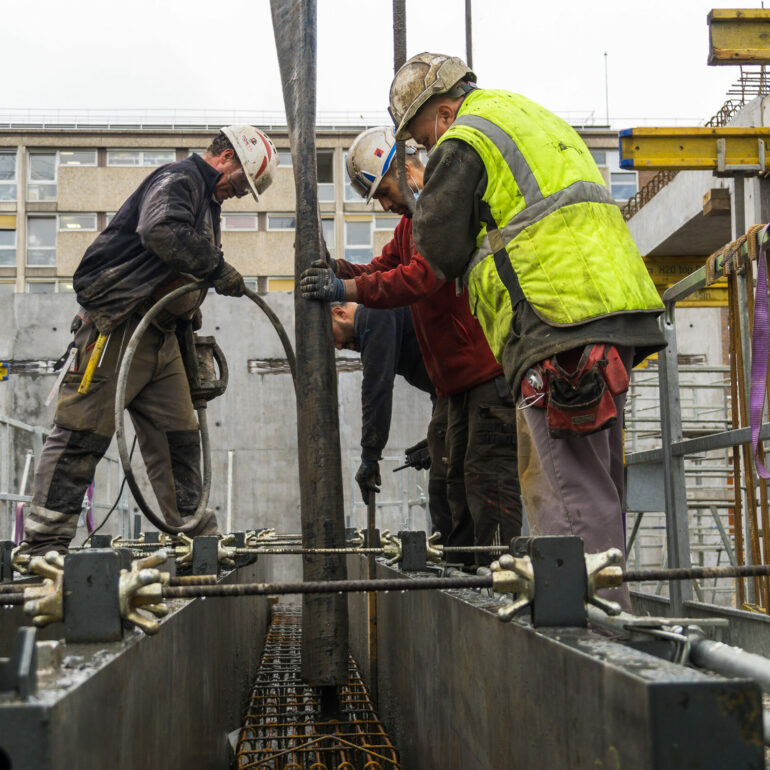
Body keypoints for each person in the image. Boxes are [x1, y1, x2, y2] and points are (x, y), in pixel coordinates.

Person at [388, 52, 667, 605]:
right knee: (598, 481)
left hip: (555, 322)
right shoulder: (529, 115)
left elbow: (437, 246)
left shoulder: (466, 136)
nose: (424, 152)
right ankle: (608, 617)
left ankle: (592, 636)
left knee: (566, 496)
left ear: (443, 115)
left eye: (421, 140)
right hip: (612, 309)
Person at [19, 125, 278, 556]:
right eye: (240, 183)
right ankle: (43, 544)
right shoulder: (180, 179)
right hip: (119, 326)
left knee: (180, 438)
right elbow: (159, 230)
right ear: (228, 158)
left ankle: (197, 539)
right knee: (82, 431)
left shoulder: (205, 200)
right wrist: (216, 267)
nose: (237, 193)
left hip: (161, 338)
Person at [300, 126, 522, 566]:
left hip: (486, 375)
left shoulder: (439, 212)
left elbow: (418, 277)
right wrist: (335, 266)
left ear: (404, 168)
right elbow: (379, 268)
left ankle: (498, 583)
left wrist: (342, 286)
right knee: (449, 486)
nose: (385, 205)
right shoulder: (408, 228)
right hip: (454, 386)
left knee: (487, 485)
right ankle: (462, 579)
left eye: (384, 191)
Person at [330, 301, 451, 543]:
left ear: (340, 313)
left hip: (473, 392)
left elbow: (377, 387)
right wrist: (438, 439)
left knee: (446, 487)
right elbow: (441, 385)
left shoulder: (374, 314)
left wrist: (370, 457)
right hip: (455, 396)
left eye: (334, 339)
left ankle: (463, 567)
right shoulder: (385, 322)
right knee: (445, 483)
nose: (340, 347)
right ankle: (459, 562)